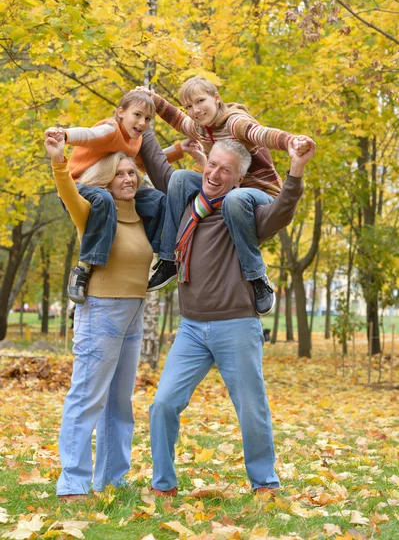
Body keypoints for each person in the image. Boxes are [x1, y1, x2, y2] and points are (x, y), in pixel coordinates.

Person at [145, 138, 316, 496]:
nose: (214, 173)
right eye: (212, 165)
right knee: (162, 404)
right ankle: (163, 485)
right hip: (191, 327)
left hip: (236, 325)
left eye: (226, 170)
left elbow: (282, 210)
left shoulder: (243, 215)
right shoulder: (188, 207)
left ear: (239, 179)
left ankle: (265, 483)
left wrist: (296, 169)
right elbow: (161, 167)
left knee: (251, 409)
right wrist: (145, 117)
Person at [44, 132, 155, 502]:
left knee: (120, 400)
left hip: (135, 310)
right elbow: (68, 193)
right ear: (105, 179)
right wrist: (59, 161)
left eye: (131, 173)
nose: (128, 178)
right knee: (88, 396)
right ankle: (72, 483)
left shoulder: (142, 215)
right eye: (120, 173)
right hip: (101, 309)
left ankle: (111, 479)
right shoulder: (93, 213)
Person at [140, 78, 313, 314]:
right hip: (228, 187)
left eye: (200, 101)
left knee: (235, 199)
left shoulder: (234, 123)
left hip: (259, 192)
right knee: (180, 178)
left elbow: (262, 133)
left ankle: (256, 276)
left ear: (216, 98)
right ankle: (170, 258)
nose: (195, 110)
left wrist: (291, 141)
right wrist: (154, 100)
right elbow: (178, 120)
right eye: (189, 106)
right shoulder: (200, 126)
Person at [44, 90, 185, 304]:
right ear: (121, 113)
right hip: (82, 186)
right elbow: (89, 135)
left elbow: (140, 165)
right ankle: (84, 268)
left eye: (147, 118)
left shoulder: (134, 141)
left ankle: (161, 257)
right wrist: (65, 135)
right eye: (137, 115)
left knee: (159, 201)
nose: (142, 122)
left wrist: (179, 149)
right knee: (103, 199)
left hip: (110, 185)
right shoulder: (111, 130)